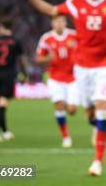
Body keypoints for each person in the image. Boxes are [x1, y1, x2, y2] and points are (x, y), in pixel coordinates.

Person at [16, 0, 106, 176]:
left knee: (102, 106)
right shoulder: (75, 3)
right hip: (82, 68)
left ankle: (98, 161)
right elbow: (51, 11)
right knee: (90, 113)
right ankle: (95, 124)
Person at [35, 14, 79, 147]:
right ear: (52, 24)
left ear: (66, 23)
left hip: (73, 78)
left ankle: (66, 105)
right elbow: (38, 59)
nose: (59, 24)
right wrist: (48, 58)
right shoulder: (46, 38)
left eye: (61, 21)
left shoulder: (75, 35)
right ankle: (66, 137)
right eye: (56, 21)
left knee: (72, 110)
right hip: (55, 78)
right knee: (59, 105)